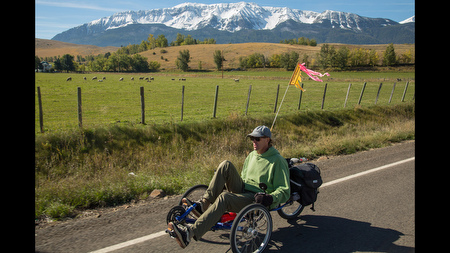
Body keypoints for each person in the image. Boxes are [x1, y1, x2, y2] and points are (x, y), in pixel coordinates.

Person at [167, 125, 290, 249]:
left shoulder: (278, 161)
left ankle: (189, 233)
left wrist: (270, 198)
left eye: (257, 139)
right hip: (244, 189)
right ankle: (203, 205)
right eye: (252, 138)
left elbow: (284, 191)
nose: (253, 141)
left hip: (257, 197)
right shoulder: (252, 155)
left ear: (267, 140)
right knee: (226, 165)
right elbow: (243, 177)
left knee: (224, 198)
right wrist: (226, 183)